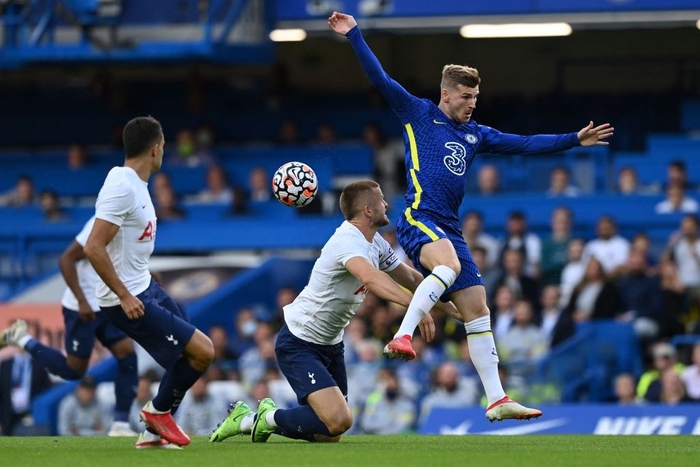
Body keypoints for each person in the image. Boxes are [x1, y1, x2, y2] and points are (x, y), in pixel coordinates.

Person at [328, 11, 613, 422]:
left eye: (475, 98)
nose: (471, 104)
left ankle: (496, 399)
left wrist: (573, 139)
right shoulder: (417, 113)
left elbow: (525, 143)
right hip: (418, 214)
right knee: (448, 264)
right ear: (447, 95)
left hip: (449, 226)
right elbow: (380, 79)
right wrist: (354, 34)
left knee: (477, 308)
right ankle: (403, 334)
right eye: (466, 98)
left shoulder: (475, 134)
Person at [209, 180, 460, 443]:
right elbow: (372, 279)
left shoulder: (375, 242)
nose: (387, 204)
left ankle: (247, 420)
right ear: (367, 210)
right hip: (300, 343)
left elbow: (410, 277)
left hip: (331, 344)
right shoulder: (347, 241)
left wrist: (451, 308)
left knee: (330, 434)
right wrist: (416, 307)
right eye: (381, 199)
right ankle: (263, 418)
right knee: (340, 419)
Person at [83, 116, 214, 448]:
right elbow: (93, 247)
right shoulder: (121, 186)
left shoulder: (136, 183)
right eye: (165, 145)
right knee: (204, 352)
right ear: (156, 149)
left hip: (146, 287)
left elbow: (126, 243)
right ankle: (156, 414)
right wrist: (125, 295)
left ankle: (153, 433)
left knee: (185, 360)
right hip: (125, 300)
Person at [0, 216, 138, 437]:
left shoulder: (134, 222)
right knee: (73, 371)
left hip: (107, 304)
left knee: (127, 356)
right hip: (82, 307)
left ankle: (120, 423)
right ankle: (22, 339)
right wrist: (82, 300)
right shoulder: (103, 220)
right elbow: (66, 259)